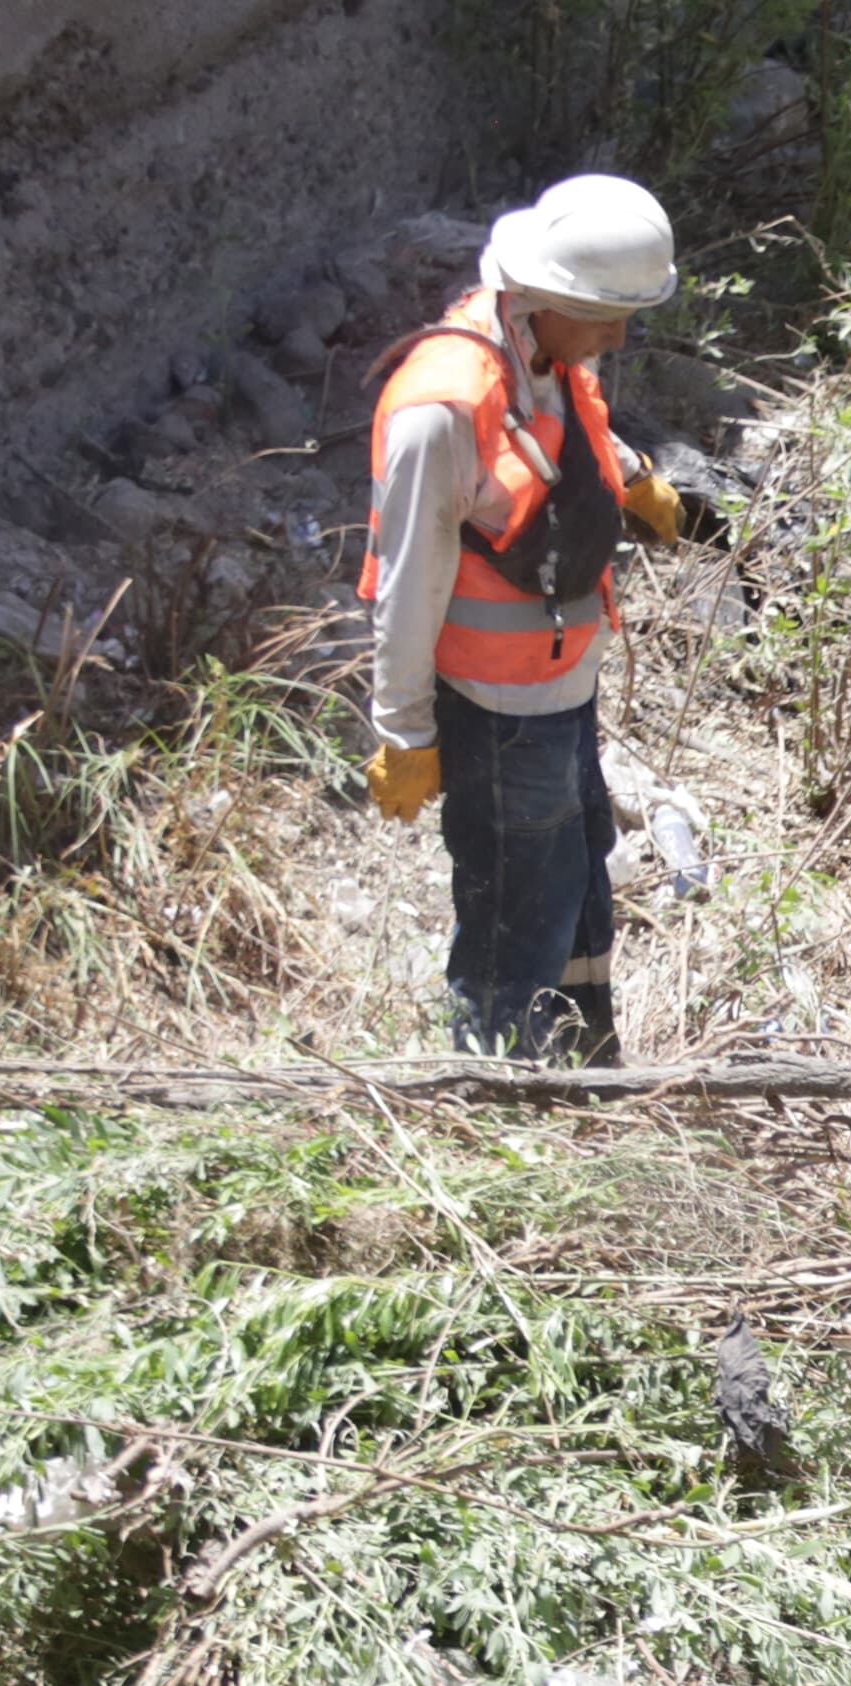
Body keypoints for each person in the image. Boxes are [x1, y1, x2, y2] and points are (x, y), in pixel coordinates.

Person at [357, 174, 694, 1061]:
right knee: (519, 911)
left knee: (576, 881)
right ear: (547, 296)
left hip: (559, 690)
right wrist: (405, 730)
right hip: (500, 710)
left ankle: (583, 1057)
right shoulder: (443, 407)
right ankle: (500, 1082)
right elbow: (407, 582)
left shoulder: (540, 349)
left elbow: (561, 430)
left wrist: (629, 478)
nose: (619, 337)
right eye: (607, 317)